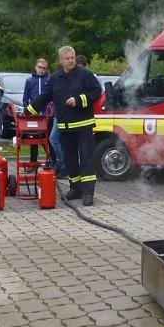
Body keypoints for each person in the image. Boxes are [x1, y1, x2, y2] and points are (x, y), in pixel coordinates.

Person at [27, 45, 102, 206]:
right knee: (70, 160)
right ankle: (76, 189)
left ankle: (88, 193)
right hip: (66, 127)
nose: (71, 61)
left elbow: (96, 91)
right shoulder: (56, 78)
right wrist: (29, 110)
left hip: (84, 125)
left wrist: (79, 100)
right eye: (67, 58)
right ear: (61, 60)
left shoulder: (85, 75)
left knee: (86, 159)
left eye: (72, 57)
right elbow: (45, 97)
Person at [22, 58, 51, 165]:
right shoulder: (29, 81)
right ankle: (33, 162)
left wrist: (49, 110)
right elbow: (25, 98)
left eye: (44, 68)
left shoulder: (49, 80)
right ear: (35, 67)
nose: (41, 70)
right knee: (33, 138)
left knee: (46, 138)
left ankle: (50, 159)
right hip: (33, 114)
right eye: (39, 67)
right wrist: (27, 110)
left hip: (45, 114)